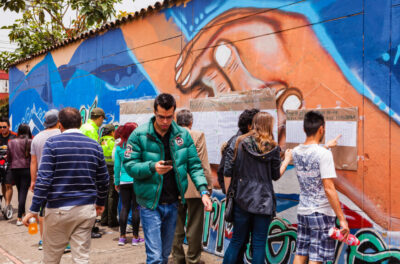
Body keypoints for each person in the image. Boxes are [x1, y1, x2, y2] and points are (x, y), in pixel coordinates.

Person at [123, 93, 213, 264]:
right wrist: (152, 167)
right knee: (155, 258)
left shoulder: (182, 136)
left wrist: (203, 191)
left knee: (164, 256)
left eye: (169, 117)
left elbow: (194, 165)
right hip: (150, 204)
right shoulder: (139, 135)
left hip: (173, 203)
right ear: (154, 112)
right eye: (161, 117)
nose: (165, 121)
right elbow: (130, 165)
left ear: (174, 113)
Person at [22, 107, 109, 264]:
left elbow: (44, 179)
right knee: (81, 259)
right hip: (85, 209)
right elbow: (103, 179)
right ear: (81, 122)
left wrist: (33, 210)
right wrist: (100, 203)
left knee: (51, 258)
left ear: (60, 124)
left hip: (57, 210)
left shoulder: (52, 144)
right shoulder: (94, 145)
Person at [222, 112, 292, 264]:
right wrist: (286, 161)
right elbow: (275, 175)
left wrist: (230, 194)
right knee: (259, 244)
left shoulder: (240, 143)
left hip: (242, 199)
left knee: (236, 241)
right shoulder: (273, 148)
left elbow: (230, 169)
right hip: (263, 202)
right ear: (269, 126)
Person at [292, 111, 349, 264]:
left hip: (303, 211)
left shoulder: (296, 152)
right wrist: (342, 219)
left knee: (301, 252)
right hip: (321, 214)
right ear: (322, 129)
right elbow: (329, 188)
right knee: (316, 258)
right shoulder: (323, 154)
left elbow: (311, 158)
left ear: (304, 129)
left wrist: (326, 147)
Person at [172, 109, 213, 264]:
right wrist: (207, 188)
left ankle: (177, 258)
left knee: (175, 227)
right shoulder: (197, 135)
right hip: (195, 189)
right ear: (191, 122)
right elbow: (203, 163)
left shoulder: (170, 136)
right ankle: (193, 259)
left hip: (175, 188)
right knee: (194, 227)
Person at [30, 109, 61, 250]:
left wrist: (33, 181)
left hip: (43, 180)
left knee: (43, 211)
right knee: (61, 211)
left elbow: (33, 162)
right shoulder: (62, 134)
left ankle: (43, 240)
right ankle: (64, 242)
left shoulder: (37, 138)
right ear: (59, 121)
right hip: (61, 179)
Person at [114, 122, 144, 246]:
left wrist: (116, 181)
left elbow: (117, 167)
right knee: (136, 208)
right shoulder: (139, 145)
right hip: (136, 180)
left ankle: (122, 237)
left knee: (124, 207)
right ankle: (135, 238)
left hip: (124, 181)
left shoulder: (119, 147)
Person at [80, 107, 106, 238]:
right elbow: (94, 151)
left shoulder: (83, 127)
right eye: (102, 119)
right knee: (91, 201)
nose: (102, 122)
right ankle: (88, 229)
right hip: (89, 169)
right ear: (99, 118)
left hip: (81, 168)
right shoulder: (92, 130)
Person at [7, 123, 32, 226]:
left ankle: (22, 214)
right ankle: (19, 218)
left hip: (14, 169)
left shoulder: (11, 142)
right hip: (26, 169)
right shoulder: (30, 142)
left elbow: (8, 158)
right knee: (23, 193)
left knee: (20, 191)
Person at [100, 123, 119, 227]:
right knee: (112, 195)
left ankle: (103, 219)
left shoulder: (100, 141)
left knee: (104, 194)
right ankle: (112, 221)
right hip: (111, 169)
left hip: (102, 169)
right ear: (112, 132)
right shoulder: (113, 142)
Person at [0, 117, 17, 219]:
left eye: (4, 127)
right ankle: (5, 202)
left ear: (9, 126)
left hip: (10, 165)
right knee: (2, 184)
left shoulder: (14, 136)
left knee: (8, 184)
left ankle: (7, 204)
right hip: (0, 164)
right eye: (0, 127)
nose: (2, 129)